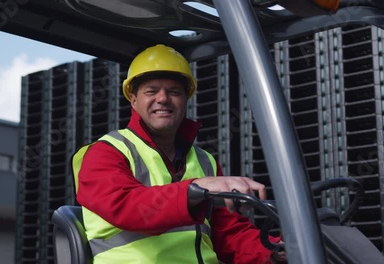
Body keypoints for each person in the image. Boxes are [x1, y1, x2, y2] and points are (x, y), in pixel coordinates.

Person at [72, 44, 286, 263]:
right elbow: (130, 209)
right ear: (133, 99)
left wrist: (275, 250)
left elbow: (229, 234)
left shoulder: (205, 162)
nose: (163, 98)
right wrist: (196, 189)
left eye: (174, 92)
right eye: (151, 91)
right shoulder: (105, 153)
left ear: (185, 100)